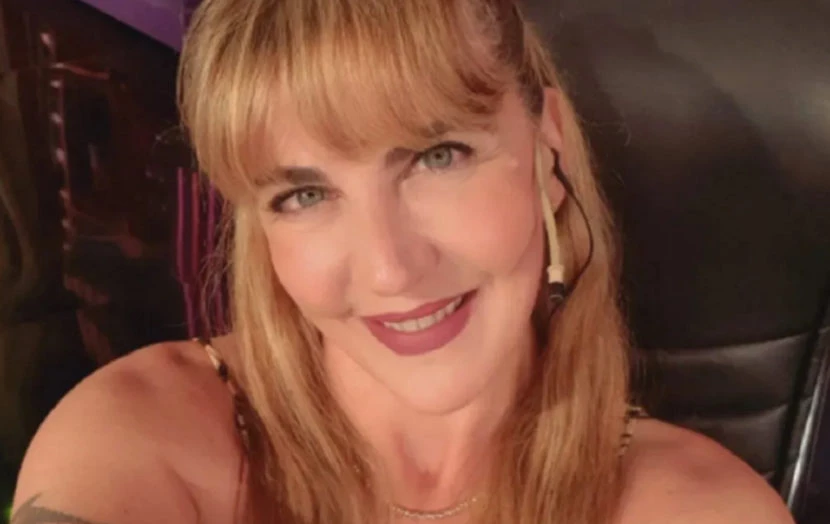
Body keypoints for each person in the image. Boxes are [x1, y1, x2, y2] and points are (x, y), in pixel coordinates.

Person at [12, 1, 795, 523]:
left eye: (436, 155)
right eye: (304, 195)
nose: (390, 270)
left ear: (547, 145)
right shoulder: (144, 439)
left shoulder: (698, 507)